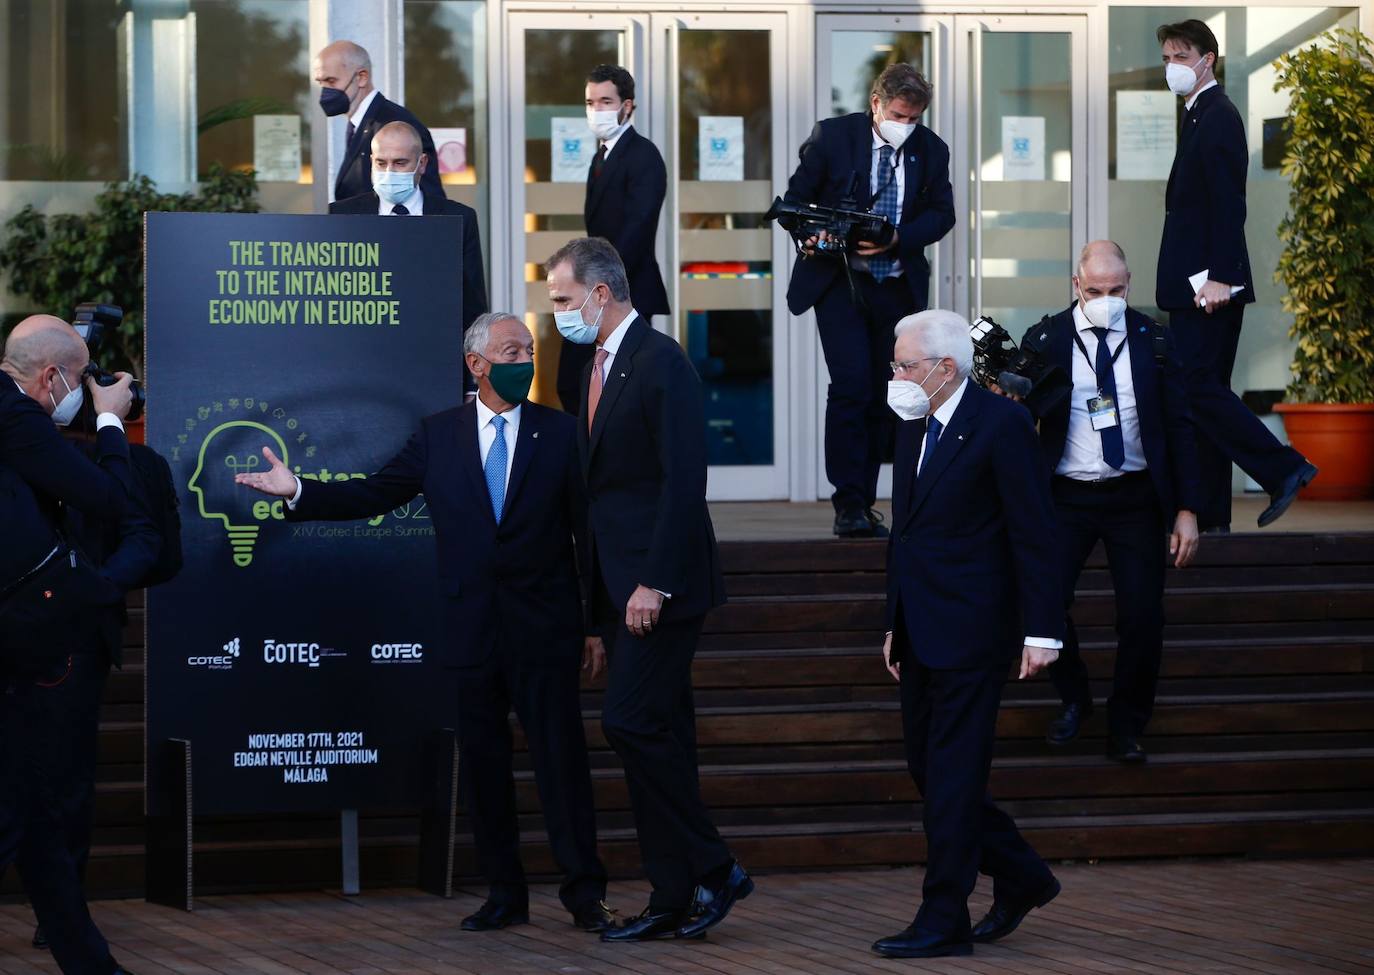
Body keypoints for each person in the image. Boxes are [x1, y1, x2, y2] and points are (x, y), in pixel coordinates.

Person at [233, 313, 613, 934]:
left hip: (545, 630)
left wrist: (595, 623)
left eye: (528, 349)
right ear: (477, 364)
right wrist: (296, 488)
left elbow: (587, 535)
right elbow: (374, 493)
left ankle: (584, 894)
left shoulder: (562, 432)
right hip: (471, 630)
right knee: (486, 767)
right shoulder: (439, 436)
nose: (525, 359)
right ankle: (504, 894)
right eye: (510, 350)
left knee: (561, 765)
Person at [545, 238, 747, 942]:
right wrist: (596, 613)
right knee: (659, 734)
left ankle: (715, 868)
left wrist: (653, 582)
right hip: (615, 589)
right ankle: (673, 894)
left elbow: (683, 484)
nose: (558, 316)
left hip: (663, 586)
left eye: (564, 301)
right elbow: (601, 492)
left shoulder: (661, 362)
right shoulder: (589, 364)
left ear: (602, 294)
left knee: (628, 723)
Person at [874, 310, 1061, 960]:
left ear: (943, 368)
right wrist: (894, 621)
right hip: (921, 627)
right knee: (930, 770)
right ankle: (1022, 874)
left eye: (903, 364)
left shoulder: (1002, 423)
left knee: (953, 776)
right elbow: (907, 532)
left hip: (976, 630)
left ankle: (942, 915)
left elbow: (1034, 531)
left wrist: (1043, 630)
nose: (894, 374)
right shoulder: (913, 424)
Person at [1019, 241, 1201, 764]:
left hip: (1135, 496)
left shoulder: (1156, 340)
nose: (1105, 299)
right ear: (1076, 285)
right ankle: (1075, 700)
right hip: (1065, 494)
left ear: (1130, 285)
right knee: (1045, 602)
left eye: (1115, 290)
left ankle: (1128, 722)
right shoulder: (1047, 338)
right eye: (1094, 290)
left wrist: (1187, 508)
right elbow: (1015, 418)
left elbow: (1181, 427)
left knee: (1143, 617)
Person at [0, 315, 138, 975]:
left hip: (20, 646)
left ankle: (93, 965)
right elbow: (108, 496)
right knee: (17, 812)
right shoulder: (17, 417)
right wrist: (110, 420)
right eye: (81, 380)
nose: (85, 392)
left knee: (33, 816)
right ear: (50, 377)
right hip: (15, 644)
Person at [1155, 19, 1317, 531]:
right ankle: (1211, 518)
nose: (1171, 68)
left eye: (1181, 57)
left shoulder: (1218, 115)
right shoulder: (1197, 113)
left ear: (1209, 60)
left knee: (1196, 389)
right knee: (1206, 396)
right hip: (1196, 284)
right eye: (1165, 58)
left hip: (1209, 286)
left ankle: (1284, 468)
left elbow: (1229, 204)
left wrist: (1221, 276)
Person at [784, 63, 956, 538]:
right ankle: (850, 504)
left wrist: (898, 237)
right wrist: (815, 234)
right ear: (876, 104)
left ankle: (892, 497)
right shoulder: (833, 138)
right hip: (839, 284)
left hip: (896, 286)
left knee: (895, 393)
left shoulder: (931, 149)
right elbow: (795, 202)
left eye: (915, 117)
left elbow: (943, 214)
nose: (907, 125)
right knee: (851, 386)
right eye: (900, 114)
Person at [27, 393, 165, 953]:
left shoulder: (121, 460)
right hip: (19, 630)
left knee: (67, 781)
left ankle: (60, 910)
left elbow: (145, 538)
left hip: (76, 643)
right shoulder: (21, 452)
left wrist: (93, 592)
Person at [330, 120, 489, 394]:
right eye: (381, 162)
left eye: (400, 163)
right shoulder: (341, 216)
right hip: (361, 373)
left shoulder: (458, 218)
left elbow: (472, 306)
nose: (389, 171)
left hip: (435, 370)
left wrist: (472, 384)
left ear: (422, 163)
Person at [556, 65, 670, 414]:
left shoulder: (643, 156)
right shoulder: (600, 157)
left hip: (621, 293)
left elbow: (636, 229)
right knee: (574, 384)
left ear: (627, 106)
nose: (597, 110)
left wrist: (598, 285)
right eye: (591, 102)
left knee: (619, 394)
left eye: (606, 101)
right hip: (596, 290)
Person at [313, 40, 444, 203]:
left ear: (361, 77)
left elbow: (429, 203)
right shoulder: (361, 124)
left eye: (331, 81)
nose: (325, 91)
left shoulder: (395, 125)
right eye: (321, 82)